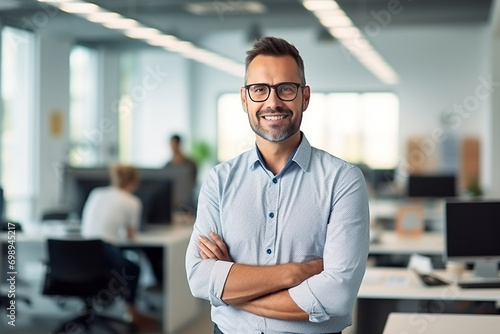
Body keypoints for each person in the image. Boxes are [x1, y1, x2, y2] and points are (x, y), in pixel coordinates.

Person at [185, 36, 370, 334]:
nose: (272, 102)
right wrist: (295, 274)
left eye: (286, 89)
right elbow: (198, 278)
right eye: (260, 89)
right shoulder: (219, 181)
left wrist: (232, 289)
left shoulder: (342, 180)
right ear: (245, 99)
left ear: (304, 97)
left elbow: (337, 296)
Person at [81, 164, 158, 332]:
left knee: (124, 262)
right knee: (133, 269)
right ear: (134, 182)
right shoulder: (132, 201)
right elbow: (131, 236)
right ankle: (131, 311)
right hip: (105, 251)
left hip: (83, 253)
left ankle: (127, 309)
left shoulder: (97, 193)